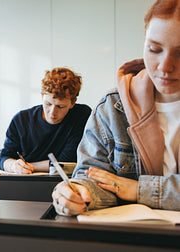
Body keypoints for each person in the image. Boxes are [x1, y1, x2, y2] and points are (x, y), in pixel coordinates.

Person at [52, 0, 180, 216]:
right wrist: (78, 192)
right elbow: (94, 175)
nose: (165, 66)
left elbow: (122, 186)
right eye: (154, 49)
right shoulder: (114, 106)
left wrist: (137, 189)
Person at [0, 67, 91, 174]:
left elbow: (65, 162)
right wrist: (13, 165)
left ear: (73, 103)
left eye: (60, 106)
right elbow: (4, 158)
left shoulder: (81, 115)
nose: (52, 112)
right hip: (24, 180)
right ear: (42, 96)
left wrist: (30, 166)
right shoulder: (21, 120)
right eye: (48, 104)